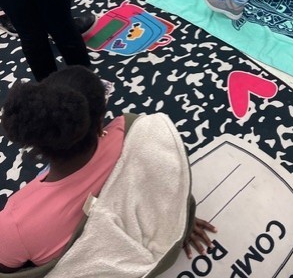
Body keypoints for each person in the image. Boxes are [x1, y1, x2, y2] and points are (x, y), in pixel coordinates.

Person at [0, 66, 216, 272]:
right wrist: (178, 219)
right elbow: (162, 180)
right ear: (100, 120)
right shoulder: (137, 132)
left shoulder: (15, 222)